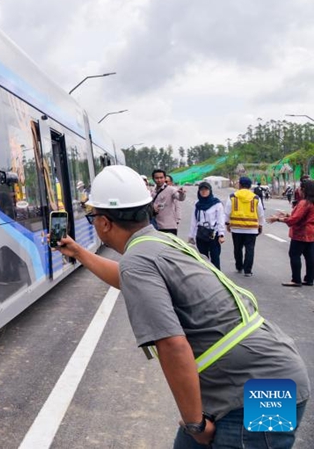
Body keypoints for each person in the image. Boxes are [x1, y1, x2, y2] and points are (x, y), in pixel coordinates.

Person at [55, 165, 309, 448]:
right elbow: (127, 278)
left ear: (104, 222)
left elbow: (173, 346)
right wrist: (78, 252)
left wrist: (195, 424)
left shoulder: (138, 261)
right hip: (270, 375)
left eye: (92, 218)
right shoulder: (159, 241)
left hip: (264, 391)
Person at [269, 179, 314, 287]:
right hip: (311, 232)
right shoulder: (311, 202)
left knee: (294, 255)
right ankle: (309, 279)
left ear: (303, 189)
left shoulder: (304, 203)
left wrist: (278, 219)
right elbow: (304, 217)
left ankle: (296, 280)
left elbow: (296, 219)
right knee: (310, 257)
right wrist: (288, 215)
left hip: (301, 233)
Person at [225, 176, 264, 277]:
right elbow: (261, 213)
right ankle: (248, 271)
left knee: (237, 248)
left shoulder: (232, 196)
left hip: (236, 228)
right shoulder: (255, 198)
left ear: (240, 185)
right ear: (250, 186)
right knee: (250, 249)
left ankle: (239, 266)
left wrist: (227, 223)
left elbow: (227, 211)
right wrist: (260, 225)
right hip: (251, 229)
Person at [188, 181, 226, 269]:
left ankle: (217, 276)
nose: (204, 192)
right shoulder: (197, 204)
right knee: (202, 257)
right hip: (201, 234)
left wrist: (221, 234)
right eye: (201, 190)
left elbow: (221, 219)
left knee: (215, 257)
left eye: (206, 189)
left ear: (210, 191)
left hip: (213, 234)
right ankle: (206, 275)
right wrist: (191, 236)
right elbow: (194, 221)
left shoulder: (217, 204)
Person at [151, 169, 186, 234]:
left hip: (169, 227)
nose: (159, 180)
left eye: (161, 178)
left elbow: (180, 198)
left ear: (164, 178)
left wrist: (182, 194)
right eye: (157, 178)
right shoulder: (152, 192)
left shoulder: (171, 190)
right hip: (156, 227)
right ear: (153, 179)